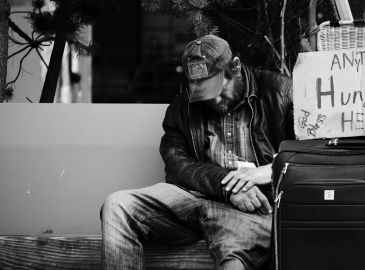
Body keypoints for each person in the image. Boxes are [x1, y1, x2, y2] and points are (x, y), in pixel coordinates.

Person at [101, 34, 294, 270]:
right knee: (117, 205)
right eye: (203, 92)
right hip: (197, 197)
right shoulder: (184, 106)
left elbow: (317, 152)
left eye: (219, 89)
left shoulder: (281, 93)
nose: (213, 99)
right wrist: (225, 185)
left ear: (235, 65)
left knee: (233, 262)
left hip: (253, 208)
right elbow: (176, 164)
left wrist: (271, 170)